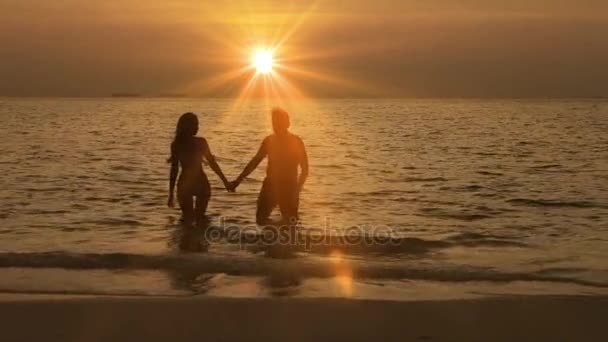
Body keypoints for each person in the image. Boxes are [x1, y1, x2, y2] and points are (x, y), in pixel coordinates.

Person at [229, 108, 309, 228]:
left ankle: (285, 238)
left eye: (279, 122)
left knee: (291, 222)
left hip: (289, 185)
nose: (275, 125)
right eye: (274, 122)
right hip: (270, 185)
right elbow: (255, 161)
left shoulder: (295, 141)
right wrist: (238, 180)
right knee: (261, 220)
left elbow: (305, 168)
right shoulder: (269, 141)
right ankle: (275, 237)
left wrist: (297, 190)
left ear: (287, 123)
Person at [167, 112, 230, 226]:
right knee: (199, 219)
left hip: (191, 183)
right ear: (187, 127)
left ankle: (187, 240)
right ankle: (198, 241)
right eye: (195, 125)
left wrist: (171, 193)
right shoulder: (198, 142)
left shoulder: (178, 144)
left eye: (197, 124)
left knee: (188, 220)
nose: (197, 127)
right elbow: (174, 169)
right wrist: (170, 193)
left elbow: (212, 163)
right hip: (198, 183)